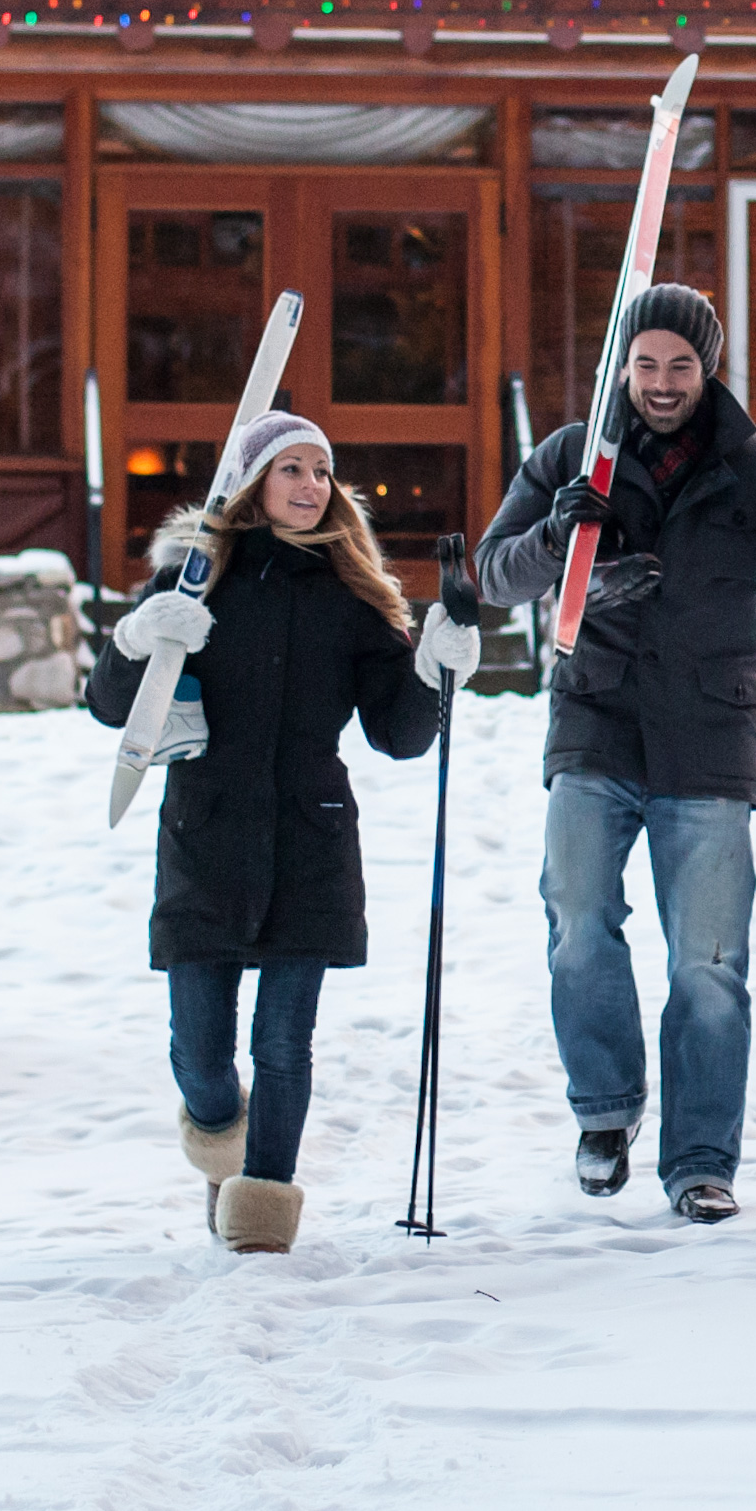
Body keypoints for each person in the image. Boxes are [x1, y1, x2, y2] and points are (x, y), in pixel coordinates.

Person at [473, 282, 756, 1222]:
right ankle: (606, 1111)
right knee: (576, 920)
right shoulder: (574, 455)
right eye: (646, 363)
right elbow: (496, 573)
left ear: (709, 368)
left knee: (708, 961)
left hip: (708, 738)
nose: (661, 382)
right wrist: (559, 534)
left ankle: (700, 1161)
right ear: (624, 364)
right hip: (596, 723)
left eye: (680, 365)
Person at [81, 410, 480, 1250]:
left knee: (284, 1045)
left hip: (311, 839)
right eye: (290, 469)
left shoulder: (354, 598)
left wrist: (437, 667)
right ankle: (223, 1146)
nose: (310, 486)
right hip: (205, 835)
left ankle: (261, 1214)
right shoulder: (193, 583)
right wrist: (138, 636)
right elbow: (116, 709)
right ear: (253, 484)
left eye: (320, 471)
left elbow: (399, 735)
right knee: (201, 1054)